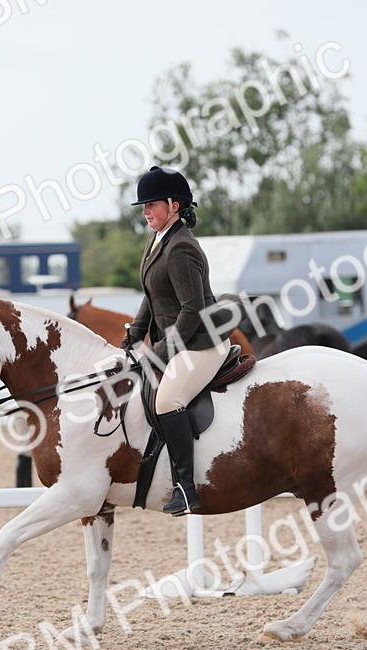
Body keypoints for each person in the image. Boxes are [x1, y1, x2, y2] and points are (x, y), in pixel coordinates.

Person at [122, 165, 236, 515]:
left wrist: (158, 353)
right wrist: (136, 331)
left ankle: (186, 489)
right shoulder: (159, 239)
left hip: (201, 341)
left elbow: (191, 310)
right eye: (143, 207)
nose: (145, 212)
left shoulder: (182, 247)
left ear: (173, 205)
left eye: (150, 205)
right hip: (180, 339)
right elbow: (152, 293)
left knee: (166, 402)